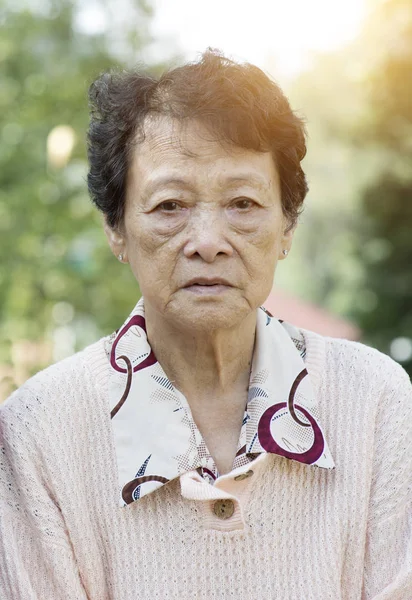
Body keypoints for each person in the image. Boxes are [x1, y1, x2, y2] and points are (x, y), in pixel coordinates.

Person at [0, 49, 411, 600]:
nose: (209, 242)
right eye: (170, 205)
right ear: (116, 228)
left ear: (287, 226)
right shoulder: (39, 430)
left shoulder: (378, 401)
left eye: (243, 203)